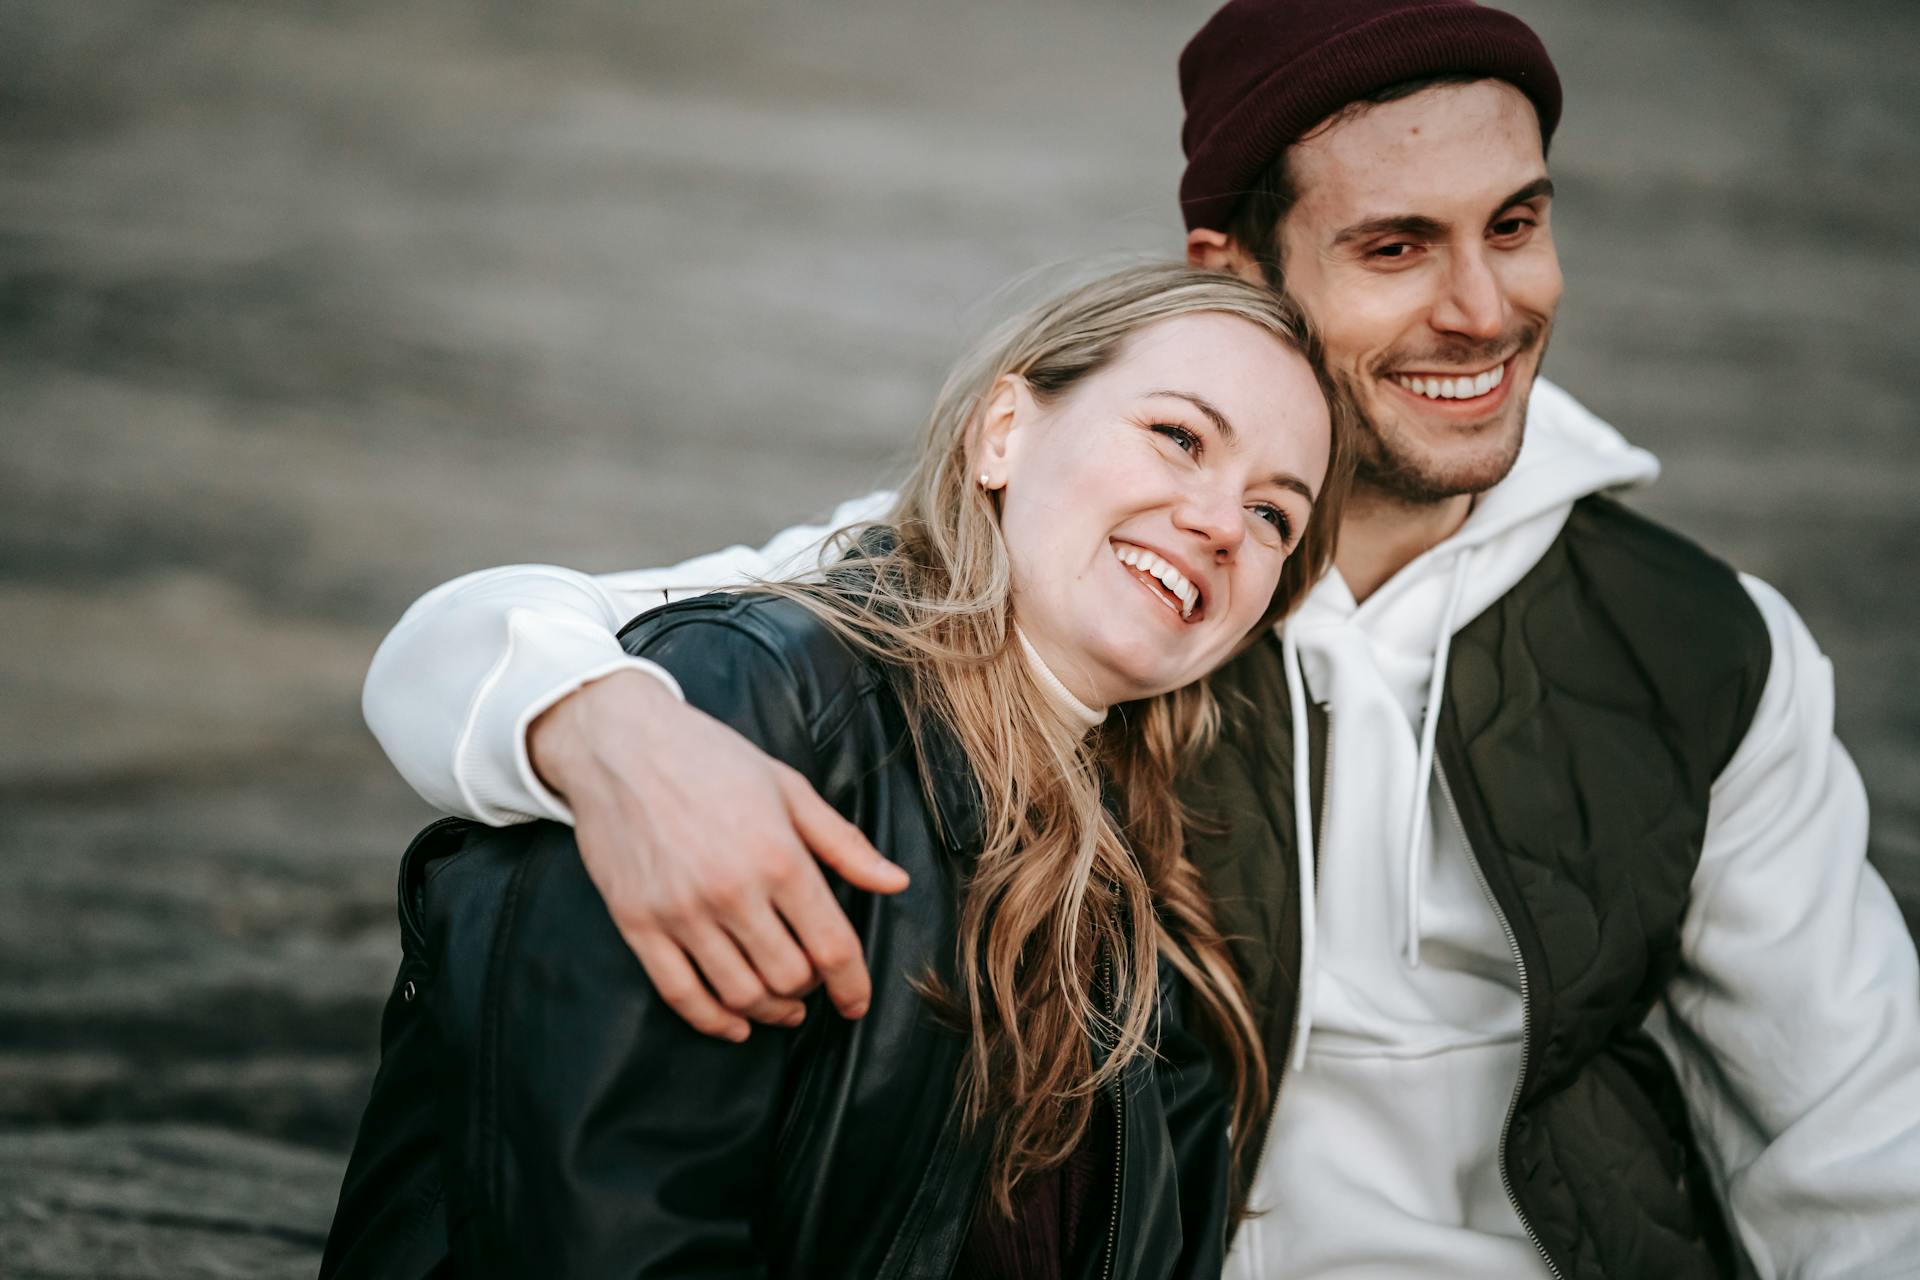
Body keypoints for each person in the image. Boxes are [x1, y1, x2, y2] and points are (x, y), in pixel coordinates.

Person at [357, 1, 1920, 1276]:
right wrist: (602, 728)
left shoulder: (1701, 647)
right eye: (1394, 248)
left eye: (1514, 226)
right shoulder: (1092, 575)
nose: (1484, 307)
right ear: (1233, 274)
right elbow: (504, 634)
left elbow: (1860, 1140)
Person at [321, 264, 1345, 1278]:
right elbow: (608, 1221)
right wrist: (606, 727)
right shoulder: (754, 698)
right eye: (1179, 436)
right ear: (1003, 432)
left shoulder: (1151, 891)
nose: (1220, 521)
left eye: (1273, 516)